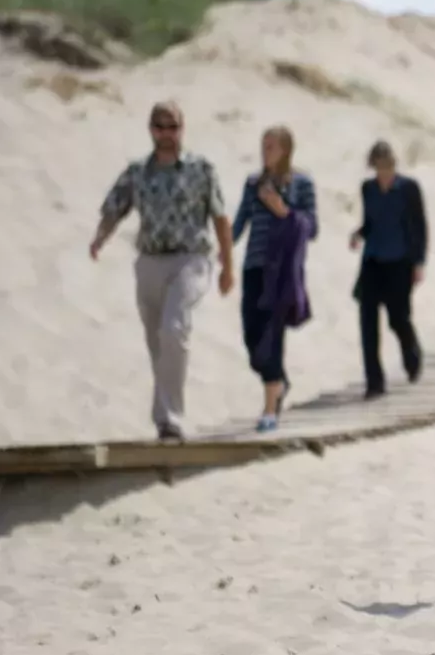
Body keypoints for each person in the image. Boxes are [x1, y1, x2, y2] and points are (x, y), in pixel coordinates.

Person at [90, 100, 233, 441]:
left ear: (183, 129)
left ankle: (170, 417)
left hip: (190, 259)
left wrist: (229, 264)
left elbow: (219, 216)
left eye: (173, 126)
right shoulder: (138, 171)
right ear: (151, 129)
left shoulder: (201, 169)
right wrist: (99, 239)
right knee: (157, 342)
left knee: (174, 329)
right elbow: (115, 208)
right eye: (160, 126)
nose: (167, 134)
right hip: (150, 262)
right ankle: (164, 420)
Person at [230, 125, 318, 431]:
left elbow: (312, 227)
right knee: (251, 339)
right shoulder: (253, 182)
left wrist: (283, 210)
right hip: (253, 268)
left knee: (271, 338)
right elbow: (241, 219)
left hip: (280, 271)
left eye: (271, 147)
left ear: (286, 150)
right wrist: (224, 245)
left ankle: (269, 409)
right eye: (263, 145)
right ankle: (278, 382)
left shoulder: (302, 183)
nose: (265, 152)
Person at [350, 140, 428, 397]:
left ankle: (412, 352)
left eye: (386, 165)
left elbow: (419, 227)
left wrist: (418, 262)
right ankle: (374, 383)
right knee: (368, 323)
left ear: (393, 164)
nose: (382, 171)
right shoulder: (368, 189)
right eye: (377, 166)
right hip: (372, 263)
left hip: (399, 263)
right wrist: (359, 234)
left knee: (398, 319)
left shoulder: (408, 188)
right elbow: (370, 222)